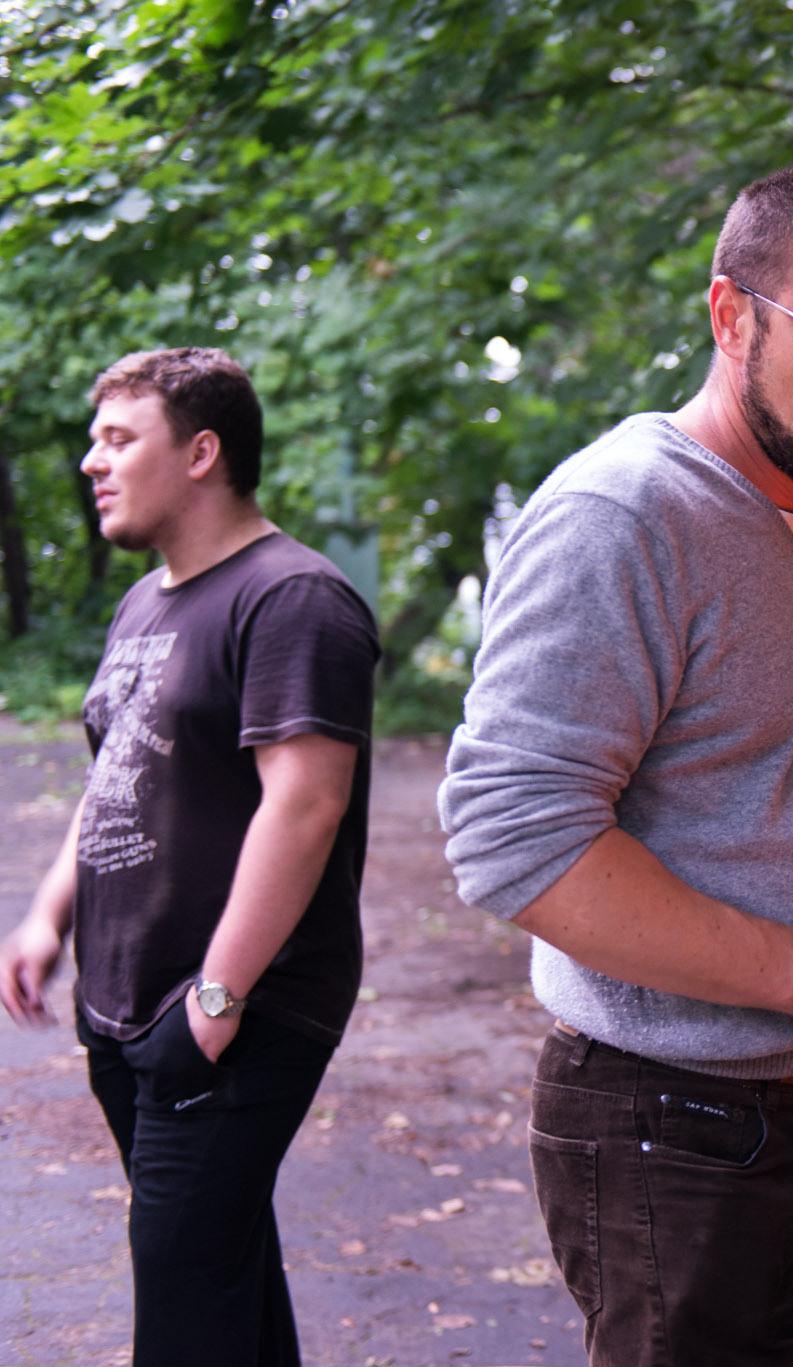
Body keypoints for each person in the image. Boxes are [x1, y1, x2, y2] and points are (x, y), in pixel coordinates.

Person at [436, 164, 793, 1366]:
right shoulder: (626, 513)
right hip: (665, 1123)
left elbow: (715, 787)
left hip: (771, 1116)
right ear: (730, 316)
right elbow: (512, 835)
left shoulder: (774, 509)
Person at [0, 347, 380, 1365]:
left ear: (202, 452)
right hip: (130, 1003)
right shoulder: (147, 604)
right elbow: (117, 782)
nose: (91, 460)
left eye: (119, 438)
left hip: (231, 1010)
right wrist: (49, 915)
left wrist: (215, 1000)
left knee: (180, 1305)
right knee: (220, 1274)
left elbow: (304, 805)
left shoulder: (292, 598)